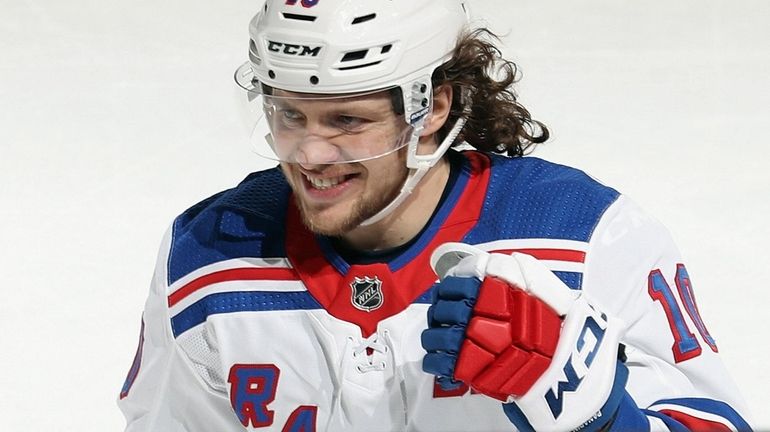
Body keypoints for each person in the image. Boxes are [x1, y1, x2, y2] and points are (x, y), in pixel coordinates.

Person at [118, 1, 752, 431]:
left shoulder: (581, 237)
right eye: (289, 114)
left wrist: (605, 417)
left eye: (347, 120)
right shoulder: (207, 256)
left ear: (434, 108)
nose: (309, 153)